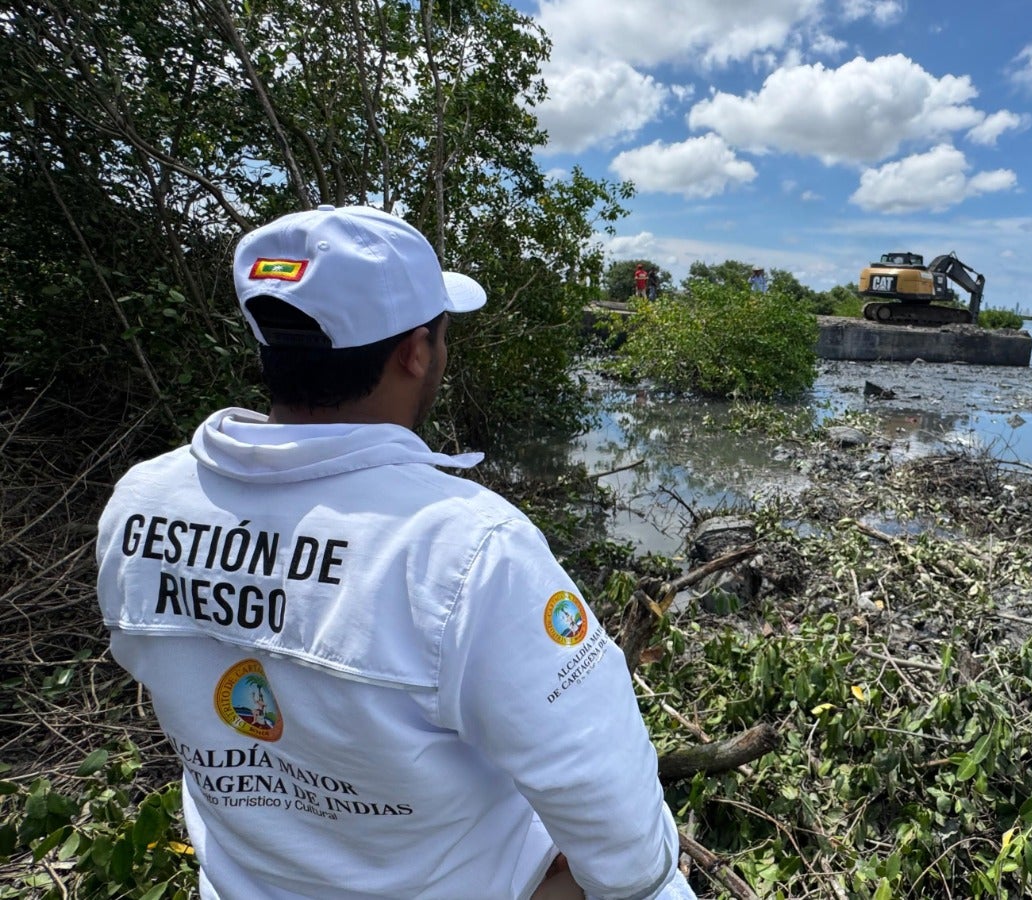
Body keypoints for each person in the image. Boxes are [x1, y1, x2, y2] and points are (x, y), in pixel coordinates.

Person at [96, 205, 695, 900]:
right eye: (442, 336)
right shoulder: (468, 546)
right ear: (416, 352)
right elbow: (598, 783)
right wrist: (653, 879)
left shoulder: (141, 502)